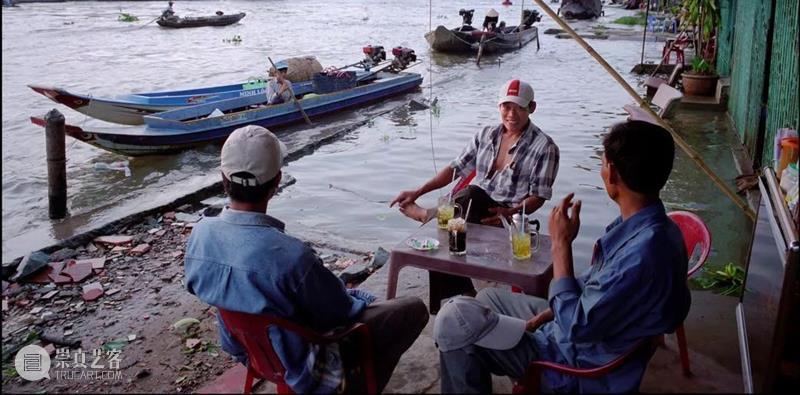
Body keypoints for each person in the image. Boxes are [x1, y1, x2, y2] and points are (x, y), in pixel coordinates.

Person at [433, 120, 691, 393]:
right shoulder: (659, 230)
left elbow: (575, 327)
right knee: (487, 299)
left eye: (603, 163)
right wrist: (543, 316)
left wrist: (560, 244)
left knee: (452, 322)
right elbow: (598, 290)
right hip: (581, 331)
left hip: (575, 365)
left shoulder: (641, 256)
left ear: (612, 173)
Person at [185, 125, 428, 394]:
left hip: (249, 353)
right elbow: (341, 313)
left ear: (223, 178)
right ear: (277, 182)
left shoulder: (201, 233)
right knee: (411, 309)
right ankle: (356, 387)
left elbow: (198, 286)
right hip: (306, 366)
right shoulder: (293, 257)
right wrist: (364, 299)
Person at [391, 79, 559, 228]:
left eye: (519, 108)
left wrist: (509, 213)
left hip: (507, 215)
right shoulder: (486, 134)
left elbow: (538, 197)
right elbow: (455, 169)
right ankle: (439, 216)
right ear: (499, 106)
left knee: (471, 193)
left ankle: (428, 215)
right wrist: (418, 192)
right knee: (470, 195)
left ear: (532, 107)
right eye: (506, 107)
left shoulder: (545, 147)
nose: (511, 115)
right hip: (473, 206)